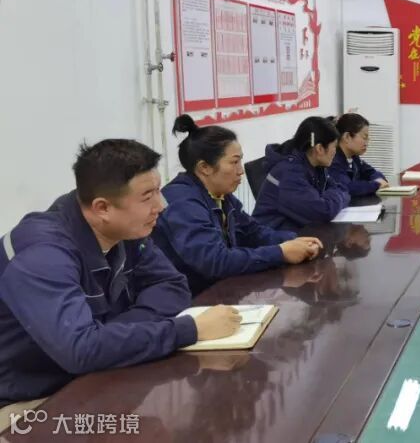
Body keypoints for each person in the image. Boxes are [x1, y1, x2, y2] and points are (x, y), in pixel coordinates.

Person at [0, 139, 240, 407]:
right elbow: (81, 351)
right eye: (147, 196)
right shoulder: (41, 255)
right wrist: (189, 330)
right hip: (28, 399)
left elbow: (172, 285)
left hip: (95, 376)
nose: (161, 205)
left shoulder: (124, 228)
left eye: (158, 190)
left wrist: (108, 336)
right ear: (102, 208)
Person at [153, 115, 324, 296]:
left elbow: (253, 232)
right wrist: (280, 253)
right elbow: (215, 261)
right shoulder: (182, 202)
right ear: (205, 167)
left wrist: (294, 241)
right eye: (234, 162)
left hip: (220, 289)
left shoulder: (220, 195)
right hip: (189, 299)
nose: (241, 170)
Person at [253, 116, 350, 232]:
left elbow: (340, 188)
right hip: (276, 237)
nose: (335, 151)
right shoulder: (289, 173)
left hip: (297, 231)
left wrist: (333, 197)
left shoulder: (315, 165)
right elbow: (323, 211)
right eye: (334, 146)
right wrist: (337, 197)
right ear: (319, 148)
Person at [329, 113, 389, 198]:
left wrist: (378, 180)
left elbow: (372, 172)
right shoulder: (332, 160)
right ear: (347, 137)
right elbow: (348, 188)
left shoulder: (354, 158)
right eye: (364, 137)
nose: (367, 143)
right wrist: (376, 184)